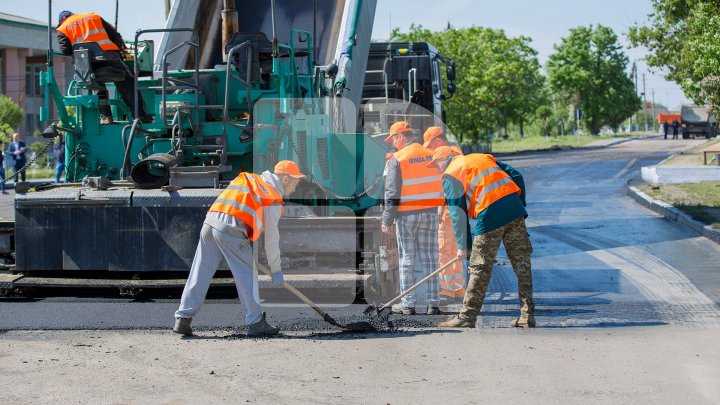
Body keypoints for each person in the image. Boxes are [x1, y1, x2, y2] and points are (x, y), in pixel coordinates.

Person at [174, 160, 305, 337]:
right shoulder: (272, 197)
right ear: (286, 179)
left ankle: (183, 318)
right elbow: (272, 240)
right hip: (231, 228)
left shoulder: (251, 179)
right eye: (296, 182)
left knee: (200, 271)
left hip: (210, 223)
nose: (295, 188)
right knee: (247, 275)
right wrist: (276, 269)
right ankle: (256, 322)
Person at [428, 146, 535, 328]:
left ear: (443, 159)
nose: (438, 170)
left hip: (490, 213)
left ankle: (467, 316)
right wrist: (519, 204)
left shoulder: (451, 174)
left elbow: (458, 214)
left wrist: (464, 246)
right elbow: (516, 176)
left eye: (436, 165)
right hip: (514, 210)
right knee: (522, 264)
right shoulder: (481, 158)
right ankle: (527, 315)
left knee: (479, 267)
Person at [382, 121, 444, 315]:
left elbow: (392, 191)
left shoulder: (398, 158)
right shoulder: (430, 154)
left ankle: (408, 304)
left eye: (393, 139)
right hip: (430, 214)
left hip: (407, 216)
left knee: (407, 259)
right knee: (430, 259)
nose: (392, 143)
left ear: (401, 136)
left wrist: (387, 219)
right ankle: (433, 303)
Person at [56, 10, 150, 124]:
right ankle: (140, 115)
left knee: (95, 85)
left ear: (62, 20)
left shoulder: (62, 28)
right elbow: (114, 35)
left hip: (87, 66)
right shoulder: (93, 17)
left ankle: (106, 117)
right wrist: (121, 50)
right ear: (71, 15)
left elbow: (65, 50)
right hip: (109, 58)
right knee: (128, 82)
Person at [422, 126, 466, 305]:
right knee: (456, 251)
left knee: (443, 251)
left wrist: (440, 205)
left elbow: (446, 186)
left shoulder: (447, 159)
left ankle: (447, 291)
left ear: (438, 141)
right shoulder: (457, 153)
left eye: (430, 145)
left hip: (448, 210)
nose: (430, 150)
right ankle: (458, 289)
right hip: (456, 208)